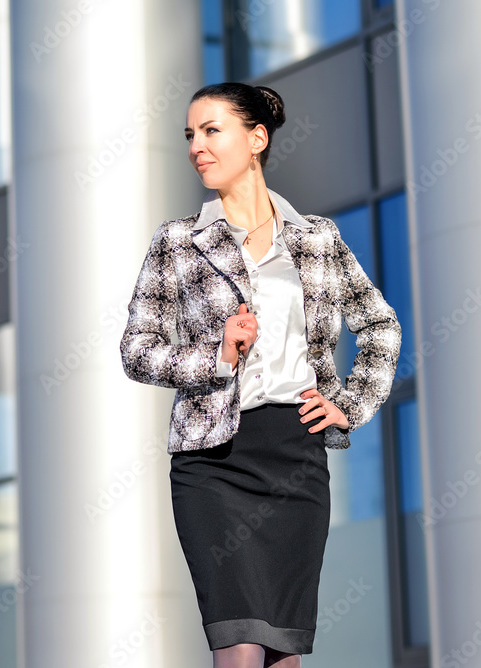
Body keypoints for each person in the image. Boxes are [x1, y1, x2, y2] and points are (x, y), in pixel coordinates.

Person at [119, 82, 401, 668]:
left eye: (211, 130)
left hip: (295, 460)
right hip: (212, 465)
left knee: (283, 657)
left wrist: (350, 402)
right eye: (190, 135)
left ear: (256, 139)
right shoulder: (177, 243)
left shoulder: (317, 238)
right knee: (240, 648)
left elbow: (380, 325)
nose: (197, 145)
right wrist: (217, 357)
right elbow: (136, 350)